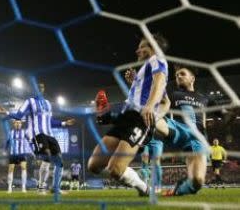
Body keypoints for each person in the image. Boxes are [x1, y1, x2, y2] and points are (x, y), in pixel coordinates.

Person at [87, 33, 169, 196]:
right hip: (125, 119)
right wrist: (134, 82)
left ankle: (144, 188)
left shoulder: (158, 60)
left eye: (142, 47)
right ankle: (136, 181)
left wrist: (151, 109)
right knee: (93, 166)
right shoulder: (145, 70)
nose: (137, 50)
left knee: (115, 170)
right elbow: (166, 101)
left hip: (139, 121)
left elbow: (159, 83)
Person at [0, 83, 75, 194]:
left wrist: (64, 123)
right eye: (38, 87)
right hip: (38, 134)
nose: (40, 89)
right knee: (47, 157)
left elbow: (50, 121)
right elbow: (19, 115)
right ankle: (41, 188)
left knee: (59, 161)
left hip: (50, 135)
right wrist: (6, 112)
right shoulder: (30, 102)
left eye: (42, 87)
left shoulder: (47, 104)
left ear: (43, 89)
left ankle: (55, 188)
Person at [154, 66, 210, 196]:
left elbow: (208, 119)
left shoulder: (205, 99)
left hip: (198, 139)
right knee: (151, 117)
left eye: (182, 74)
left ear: (192, 78)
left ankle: (179, 189)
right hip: (180, 130)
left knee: (197, 182)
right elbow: (161, 101)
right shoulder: (174, 95)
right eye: (177, 75)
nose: (178, 76)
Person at [125, 68, 163, 193]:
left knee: (156, 161)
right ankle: (145, 185)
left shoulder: (158, 83)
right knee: (144, 159)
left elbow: (166, 102)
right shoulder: (139, 89)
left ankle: (158, 185)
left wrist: (158, 116)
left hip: (156, 132)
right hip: (144, 131)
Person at [6, 120, 31, 193]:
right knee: (11, 169)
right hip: (13, 154)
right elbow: (7, 142)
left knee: (23, 168)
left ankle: (23, 187)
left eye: (19, 123)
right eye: (16, 123)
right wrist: (5, 149)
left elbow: (29, 140)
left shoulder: (24, 132)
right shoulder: (10, 133)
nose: (18, 124)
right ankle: (9, 187)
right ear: (14, 124)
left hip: (22, 154)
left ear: (21, 124)